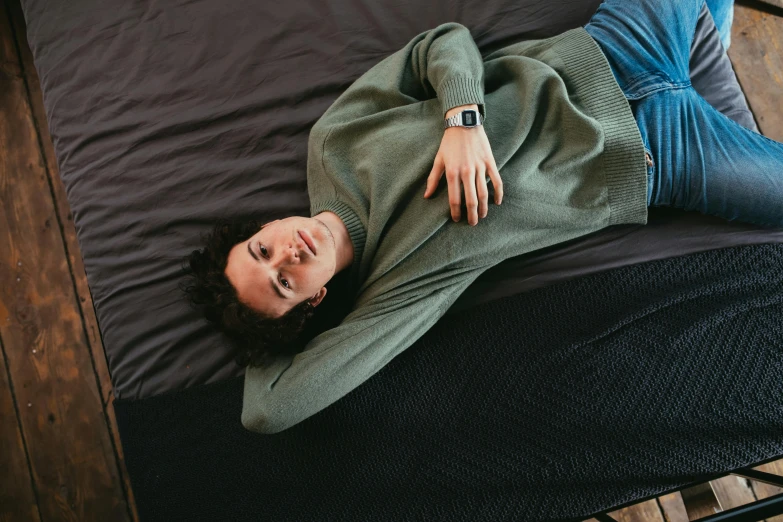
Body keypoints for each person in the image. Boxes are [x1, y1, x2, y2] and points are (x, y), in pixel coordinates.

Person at [182, 0, 783, 434]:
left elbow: (440, 42)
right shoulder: (393, 296)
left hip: (613, 50)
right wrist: (260, 336)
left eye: (263, 250)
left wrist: (462, 119)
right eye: (285, 284)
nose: (289, 254)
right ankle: (708, 52)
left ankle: (705, 47)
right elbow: (267, 410)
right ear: (313, 303)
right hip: (659, 156)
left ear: (264, 227)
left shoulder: (333, 143)